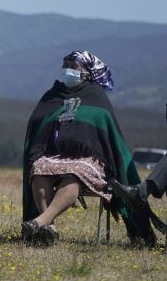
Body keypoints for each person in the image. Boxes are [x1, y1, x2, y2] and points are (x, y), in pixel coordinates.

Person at [22, 50, 164, 246]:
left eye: (73, 67)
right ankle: (48, 228)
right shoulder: (52, 95)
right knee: (38, 170)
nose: (67, 70)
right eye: (65, 66)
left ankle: (40, 222)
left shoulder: (96, 96)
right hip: (55, 155)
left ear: (87, 72)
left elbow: (102, 129)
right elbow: (39, 120)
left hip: (91, 160)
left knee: (74, 174)